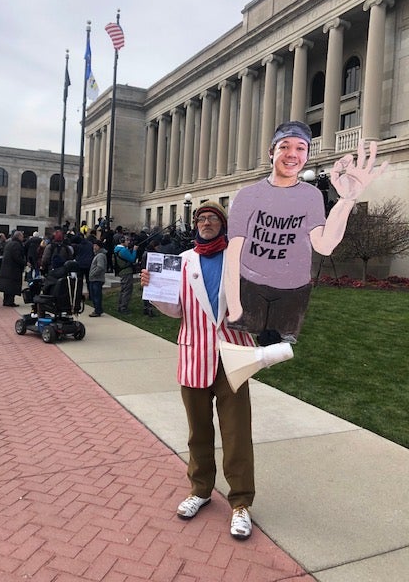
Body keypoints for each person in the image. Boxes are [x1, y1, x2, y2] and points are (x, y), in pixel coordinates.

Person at [141, 201, 255, 540]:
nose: (206, 222)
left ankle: (240, 503)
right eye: (201, 218)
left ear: (222, 224)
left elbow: (258, 300)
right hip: (194, 357)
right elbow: (176, 309)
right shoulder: (183, 261)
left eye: (213, 218)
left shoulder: (238, 259)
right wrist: (154, 290)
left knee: (237, 435)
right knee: (198, 432)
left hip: (232, 358)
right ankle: (201, 490)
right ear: (196, 225)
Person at [225, 121, 388, 346]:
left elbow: (324, 246)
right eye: (284, 146)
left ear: (307, 155)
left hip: (293, 293)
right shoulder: (247, 196)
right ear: (271, 152)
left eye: (301, 148)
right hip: (251, 287)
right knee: (244, 355)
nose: (292, 154)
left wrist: (347, 199)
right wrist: (235, 309)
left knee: (276, 355)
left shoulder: (311, 196)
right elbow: (232, 254)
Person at [0, 230, 26, 307]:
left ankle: (6, 301)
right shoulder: (17, 245)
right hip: (13, 269)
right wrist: (24, 262)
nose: (23, 238)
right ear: (19, 236)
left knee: (7, 286)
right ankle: (10, 301)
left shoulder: (9, 243)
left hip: (6, 268)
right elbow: (17, 257)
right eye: (22, 236)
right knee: (12, 286)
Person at [114, 235, 138, 314]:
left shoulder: (117, 249)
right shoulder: (123, 250)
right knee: (127, 290)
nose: (129, 242)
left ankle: (120, 306)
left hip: (122, 271)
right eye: (127, 240)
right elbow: (132, 259)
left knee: (123, 290)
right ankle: (123, 308)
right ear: (123, 241)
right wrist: (134, 250)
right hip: (126, 272)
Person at [88, 240, 107, 317]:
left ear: (99, 246)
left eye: (95, 245)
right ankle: (97, 309)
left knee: (96, 295)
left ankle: (97, 310)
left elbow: (100, 267)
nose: (94, 247)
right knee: (93, 295)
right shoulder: (97, 255)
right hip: (94, 279)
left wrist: (93, 273)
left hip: (97, 279)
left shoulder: (100, 256)